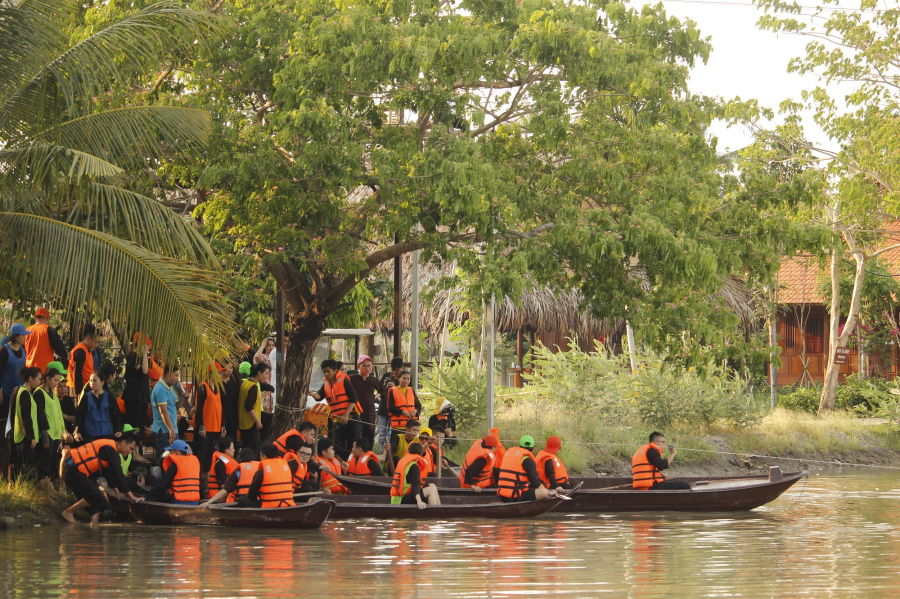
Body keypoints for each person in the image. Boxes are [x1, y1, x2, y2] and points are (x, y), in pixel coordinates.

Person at [60, 433, 144, 523]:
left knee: (98, 502)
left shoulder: (110, 450)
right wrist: (132, 497)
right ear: (123, 442)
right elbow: (118, 475)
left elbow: (109, 475)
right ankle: (69, 512)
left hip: (77, 472)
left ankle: (94, 527)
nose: (130, 452)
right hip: (72, 471)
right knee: (96, 495)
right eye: (130, 448)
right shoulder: (111, 451)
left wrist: (117, 493)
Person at [309, 359, 360, 459]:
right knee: (338, 445)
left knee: (354, 443)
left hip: (351, 417)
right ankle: (342, 465)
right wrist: (312, 394)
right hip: (336, 419)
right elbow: (319, 396)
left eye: (328, 371)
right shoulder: (326, 384)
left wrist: (346, 414)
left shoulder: (345, 381)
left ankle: (355, 465)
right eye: (324, 372)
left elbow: (354, 398)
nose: (326, 374)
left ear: (335, 370)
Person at [34, 362, 72, 483]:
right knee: (43, 462)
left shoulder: (53, 395)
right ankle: (44, 488)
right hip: (47, 434)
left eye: (58, 381)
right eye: (55, 380)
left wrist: (62, 432)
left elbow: (58, 416)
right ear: (47, 378)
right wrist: (44, 435)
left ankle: (49, 486)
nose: (57, 383)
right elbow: (40, 415)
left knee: (51, 462)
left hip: (55, 434)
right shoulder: (39, 393)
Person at [497, 436, 561, 502]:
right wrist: (548, 492)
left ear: (519, 446)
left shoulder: (510, 456)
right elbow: (535, 482)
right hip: (515, 494)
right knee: (543, 493)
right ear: (533, 449)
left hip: (502, 493)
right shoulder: (528, 461)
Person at [239, 443, 296, 508]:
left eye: (260, 455)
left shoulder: (262, 471)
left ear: (264, 456)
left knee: (242, 499)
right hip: (288, 504)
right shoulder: (286, 467)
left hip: (270, 506)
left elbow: (252, 495)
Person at [10, 366, 43, 477]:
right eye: (38, 379)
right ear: (30, 378)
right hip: (24, 437)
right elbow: (26, 416)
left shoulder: (22, 391)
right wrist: (31, 436)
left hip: (22, 435)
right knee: (24, 466)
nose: (39, 382)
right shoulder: (24, 393)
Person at [147, 440, 201, 505]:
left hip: (180, 501)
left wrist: (148, 497)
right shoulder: (195, 462)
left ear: (177, 452)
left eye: (171, 451)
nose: (170, 454)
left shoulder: (176, 463)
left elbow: (163, 484)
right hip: (195, 501)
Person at [75, 369, 123, 443]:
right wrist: (77, 431)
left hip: (106, 432)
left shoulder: (110, 397)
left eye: (94, 380)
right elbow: (80, 415)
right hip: (90, 433)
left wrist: (119, 429)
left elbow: (116, 414)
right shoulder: (86, 397)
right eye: (90, 381)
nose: (92, 383)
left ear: (102, 382)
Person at [238, 362, 274, 459]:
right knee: (254, 451)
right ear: (259, 373)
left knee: (246, 451)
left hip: (243, 423)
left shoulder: (245, 383)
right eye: (266, 373)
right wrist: (258, 421)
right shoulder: (253, 386)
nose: (266, 376)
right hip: (251, 423)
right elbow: (249, 406)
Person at [196, 362, 227, 473]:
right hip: (206, 428)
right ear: (211, 374)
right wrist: (201, 425)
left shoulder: (217, 388)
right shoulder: (203, 387)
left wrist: (223, 425)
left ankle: (208, 479)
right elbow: (199, 409)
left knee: (211, 456)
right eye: (218, 373)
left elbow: (221, 408)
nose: (220, 375)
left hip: (215, 428)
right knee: (203, 457)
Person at [389, 442, 440, 508]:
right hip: (400, 500)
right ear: (421, 454)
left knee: (433, 486)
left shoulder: (404, 462)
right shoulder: (414, 466)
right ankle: (434, 515)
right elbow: (415, 485)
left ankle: (440, 510)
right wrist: (419, 501)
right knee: (431, 491)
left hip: (397, 498)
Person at [1, 323, 31, 436]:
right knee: (4, 419)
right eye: (23, 335)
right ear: (16, 336)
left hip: (19, 391)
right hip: (6, 392)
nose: (25, 338)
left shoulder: (23, 349)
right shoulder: (4, 351)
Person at [348, 355, 383, 450]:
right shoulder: (351, 379)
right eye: (364, 366)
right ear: (358, 366)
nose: (367, 368)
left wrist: (376, 396)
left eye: (369, 366)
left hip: (369, 411)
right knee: (356, 434)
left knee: (370, 433)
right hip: (355, 411)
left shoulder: (373, 380)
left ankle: (368, 454)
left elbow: (384, 390)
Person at [120, 332, 151, 430]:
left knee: (140, 422)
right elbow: (145, 370)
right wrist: (145, 353)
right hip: (135, 395)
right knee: (135, 423)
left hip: (140, 395)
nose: (149, 347)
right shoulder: (134, 357)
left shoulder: (137, 356)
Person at [150, 362, 180, 461]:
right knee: (165, 460)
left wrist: (183, 399)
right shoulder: (160, 388)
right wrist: (171, 429)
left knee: (174, 459)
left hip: (172, 429)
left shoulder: (170, 387)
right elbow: (163, 411)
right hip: (164, 431)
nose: (177, 378)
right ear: (168, 375)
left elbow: (175, 407)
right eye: (175, 375)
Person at [376, 356, 403, 452]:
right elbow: (380, 391)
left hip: (395, 409)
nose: (394, 373)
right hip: (383, 407)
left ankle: (388, 453)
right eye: (393, 370)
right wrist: (383, 385)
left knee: (390, 432)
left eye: (397, 370)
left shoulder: (404, 379)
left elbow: (405, 393)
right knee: (382, 431)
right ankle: (381, 451)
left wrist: (395, 387)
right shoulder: (386, 376)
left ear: (402, 368)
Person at [67, 324, 100, 395]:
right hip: (79, 390)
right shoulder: (80, 351)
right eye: (96, 342)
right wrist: (79, 393)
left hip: (86, 388)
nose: (97, 345)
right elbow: (77, 373)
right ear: (88, 339)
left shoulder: (88, 351)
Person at [219, 362, 241, 442]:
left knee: (232, 440)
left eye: (231, 368)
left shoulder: (235, 383)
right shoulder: (217, 383)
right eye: (227, 368)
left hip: (233, 416)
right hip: (220, 416)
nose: (229, 370)